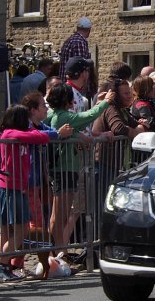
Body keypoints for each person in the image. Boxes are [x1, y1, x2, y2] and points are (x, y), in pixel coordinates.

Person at [0, 105, 70, 282]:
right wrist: (55, 134)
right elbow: (33, 136)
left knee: (11, 231)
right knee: (21, 229)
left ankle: (3, 267)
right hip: (9, 188)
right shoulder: (9, 133)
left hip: (17, 188)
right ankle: (0, 266)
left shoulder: (21, 134)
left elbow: (35, 135)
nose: (28, 123)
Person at [46, 83, 111, 256]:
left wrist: (76, 135)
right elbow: (88, 116)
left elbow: (71, 130)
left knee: (60, 214)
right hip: (65, 168)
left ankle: (59, 251)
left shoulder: (55, 114)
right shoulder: (64, 116)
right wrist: (105, 103)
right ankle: (57, 253)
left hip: (65, 168)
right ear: (67, 99)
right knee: (60, 214)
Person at [92, 78, 150, 188]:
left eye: (130, 93)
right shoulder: (110, 108)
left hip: (114, 164)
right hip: (105, 164)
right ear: (116, 95)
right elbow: (118, 128)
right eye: (126, 93)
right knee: (104, 200)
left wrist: (141, 125)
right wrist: (137, 131)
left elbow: (139, 125)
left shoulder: (121, 110)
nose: (130, 96)